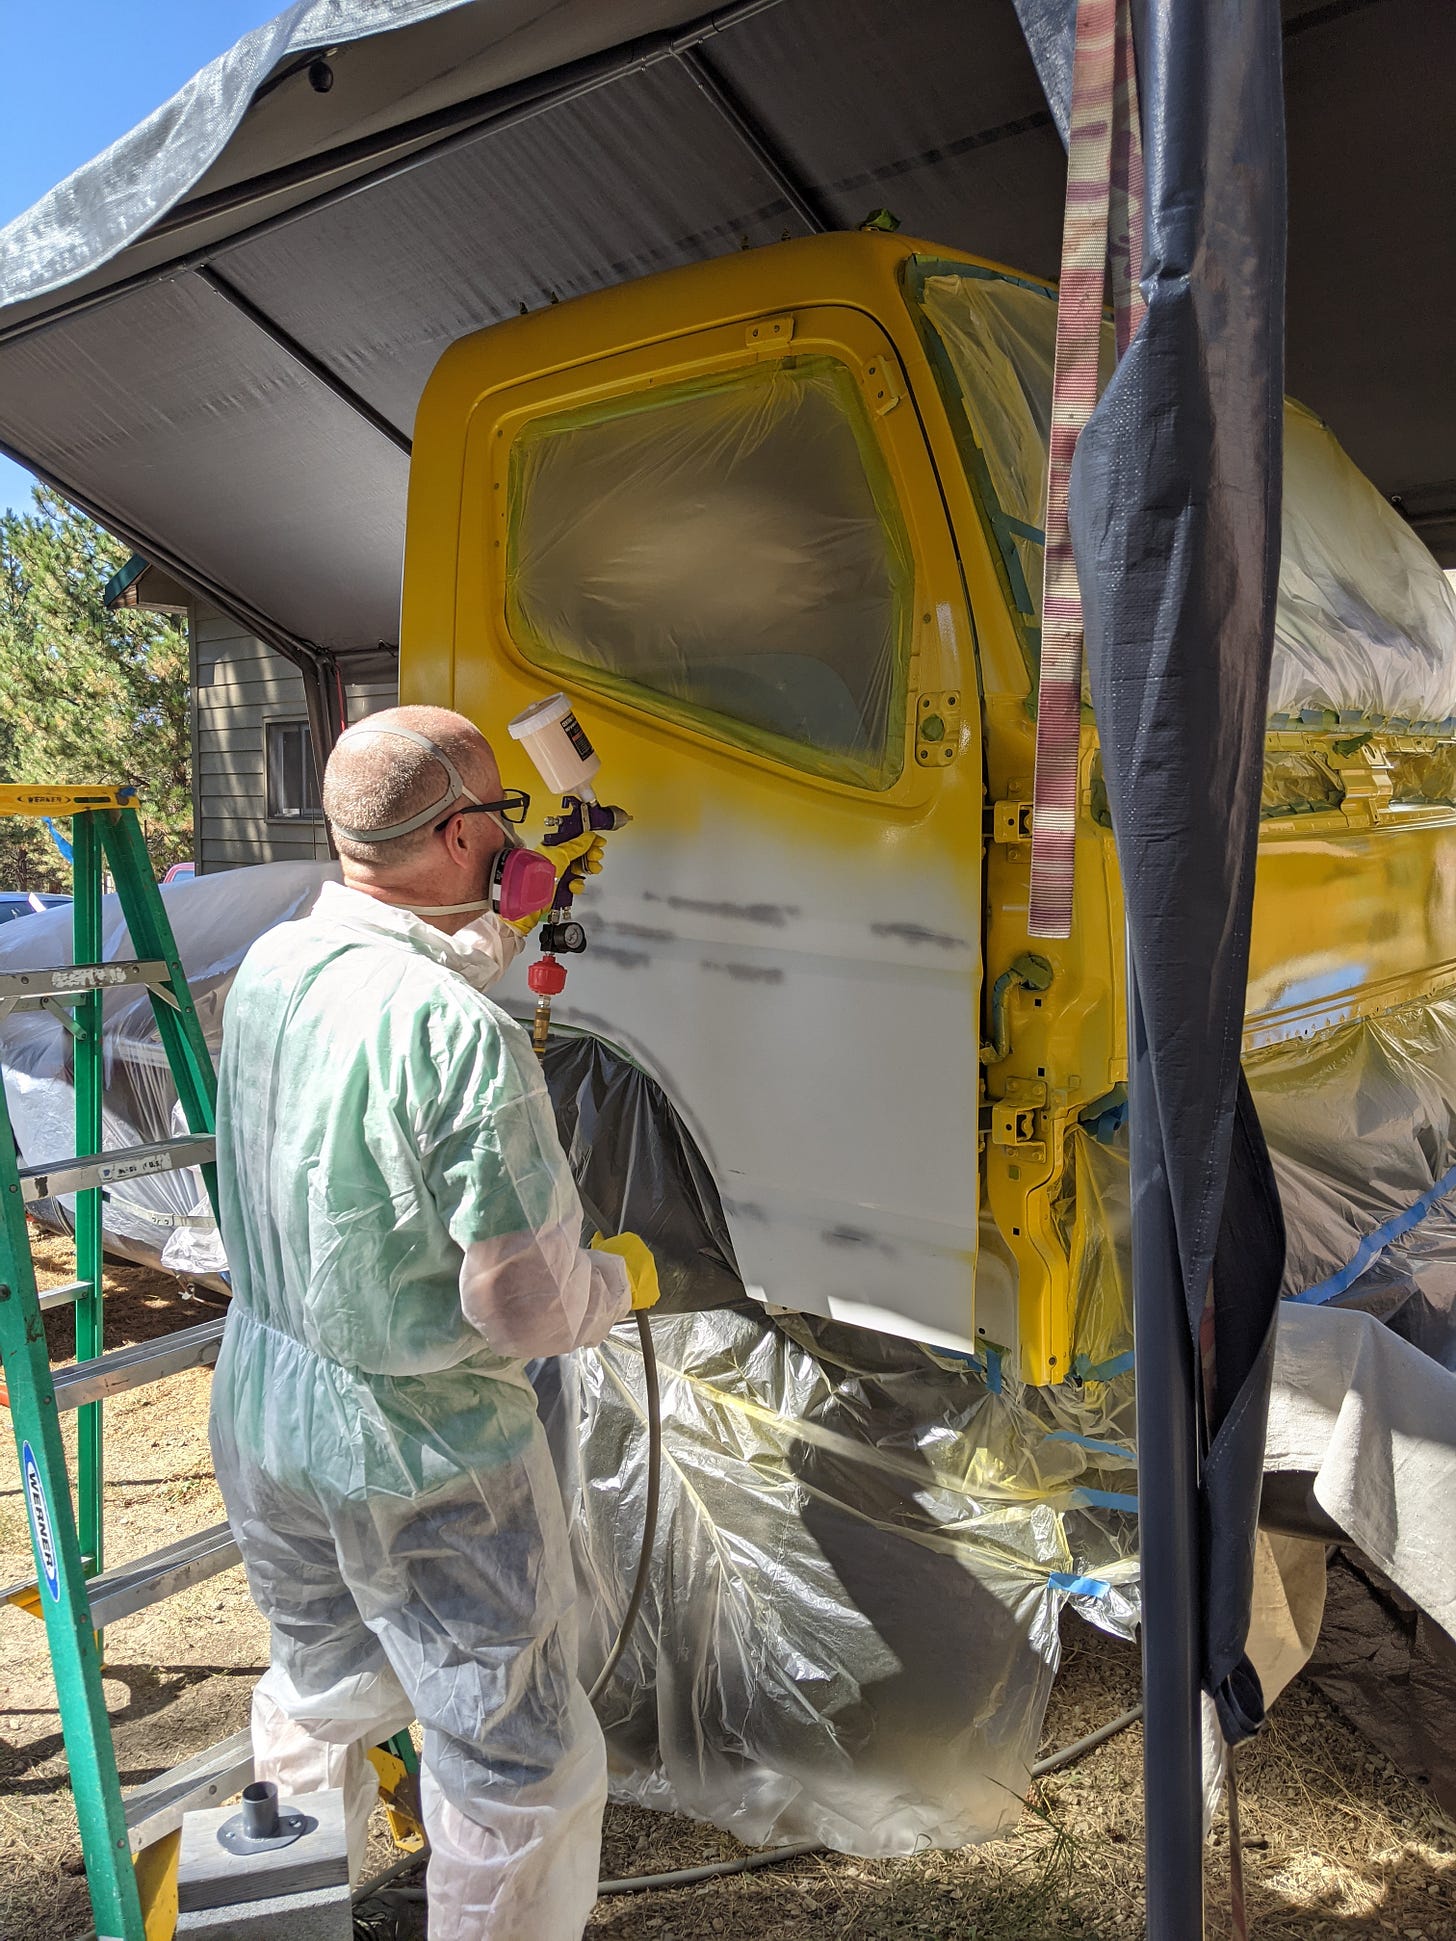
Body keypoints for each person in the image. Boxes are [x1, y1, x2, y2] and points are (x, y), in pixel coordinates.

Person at [208, 704, 658, 1940]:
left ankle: (259, 1920)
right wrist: (618, 1283)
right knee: (518, 1770)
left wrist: (487, 928)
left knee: (318, 1693)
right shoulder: (461, 1035)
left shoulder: (273, 967)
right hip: (424, 1455)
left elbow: (368, 1052)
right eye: (507, 822)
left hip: (264, 1409)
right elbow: (524, 1303)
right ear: (465, 832)